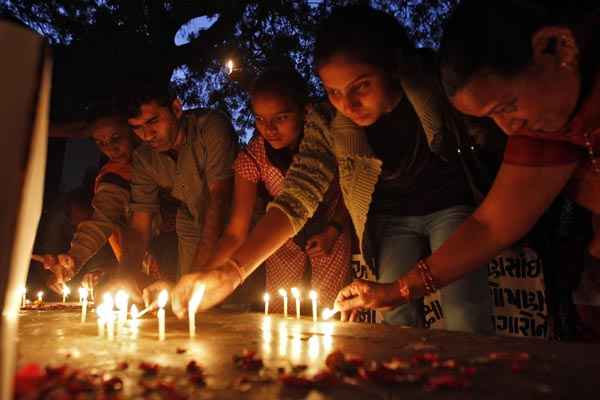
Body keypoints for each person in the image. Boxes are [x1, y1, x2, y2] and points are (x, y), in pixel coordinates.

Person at [170, 6, 501, 334]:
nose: (348, 104)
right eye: (334, 92)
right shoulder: (329, 122)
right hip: (391, 219)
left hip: (449, 205)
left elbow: (482, 133)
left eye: (360, 87)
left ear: (391, 68)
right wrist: (230, 273)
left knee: (463, 309)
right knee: (395, 318)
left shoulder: (435, 87)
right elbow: (297, 197)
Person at [332, 0, 600, 318]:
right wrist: (396, 291)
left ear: (557, 47)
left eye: (507, 105)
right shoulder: (541, 129)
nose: (509, 128)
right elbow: (491, 226)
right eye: (491, 117)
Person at [174, 68, 353, 310]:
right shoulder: (253, 158)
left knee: (330, 310)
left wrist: (334, 229)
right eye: (259, 119)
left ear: (303, 111)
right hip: (278, 240)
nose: (268, 128)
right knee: (278, 311)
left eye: (281, 118)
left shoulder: (329, 140)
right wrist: (201, 276)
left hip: (332, 230)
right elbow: (235, 233)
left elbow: (347, 190)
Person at [102, 81, 237, 303]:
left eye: (153, 121)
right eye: (137, 127)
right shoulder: (144, 159)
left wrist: (198, 273)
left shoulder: (211, 127)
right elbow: (139, 225)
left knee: (237, 308)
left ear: (176, 108)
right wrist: (126, 274)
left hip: (234, 228)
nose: (146, 135)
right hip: (192, 227)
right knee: (192, 309)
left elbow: (219, 200)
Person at [40, 109, 173, 294]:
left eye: (116, 138)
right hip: (139, 266)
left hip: (181, 254)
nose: (110, 148)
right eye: (101, 143)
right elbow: (100, 220)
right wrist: (73, 260)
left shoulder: (170, 159)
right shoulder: (114, 177)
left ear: (134, 131)